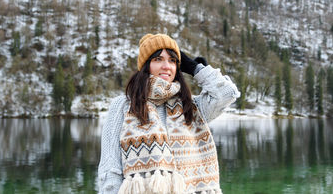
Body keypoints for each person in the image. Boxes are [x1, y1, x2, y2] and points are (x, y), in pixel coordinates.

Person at [98, 33, 240, 194]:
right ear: (146, 65)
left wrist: (195, 68)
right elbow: (110, 169)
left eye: (172, 60)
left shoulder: (191, 107)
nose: (167, 66)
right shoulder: (123, 106)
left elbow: (227, 93)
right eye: (158, 59)